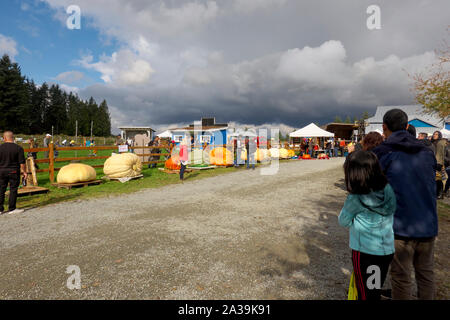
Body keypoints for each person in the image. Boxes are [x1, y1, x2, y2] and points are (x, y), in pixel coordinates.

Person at [373, 109, 438, 300]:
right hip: (428, 223)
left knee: (401, 277)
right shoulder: (427, 151)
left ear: (384, 128)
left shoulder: (383, 152)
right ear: (408, 126)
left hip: (400, 225)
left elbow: (374, 187)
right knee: (426, 274)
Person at [338, 150, 396, 300]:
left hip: (365, 253)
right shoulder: (387, 189)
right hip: (385, 251)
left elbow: (343, 220)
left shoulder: (356, 197)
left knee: (365, 293)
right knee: (374, 289)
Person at [0, 131, 27, 215]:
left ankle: (0, 209)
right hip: (14, 171)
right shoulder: (18, 148)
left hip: (1, 171)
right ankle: (12, 208)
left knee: (1, 189)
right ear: (13, 137)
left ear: (4, 138)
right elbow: (22, 162)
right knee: (13, 189)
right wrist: (24, 172)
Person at [431, 131, 447, 199]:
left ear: (439, 135)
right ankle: (437, 193)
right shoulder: (434, 142)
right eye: (434, 134)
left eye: (436, 134)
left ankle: (439, 194)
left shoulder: (440, 143)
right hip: (434, 162)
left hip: (438, 163)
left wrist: (441, 163)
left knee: (439, 179)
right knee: (436, 179)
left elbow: (442, 154)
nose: (434, 135)